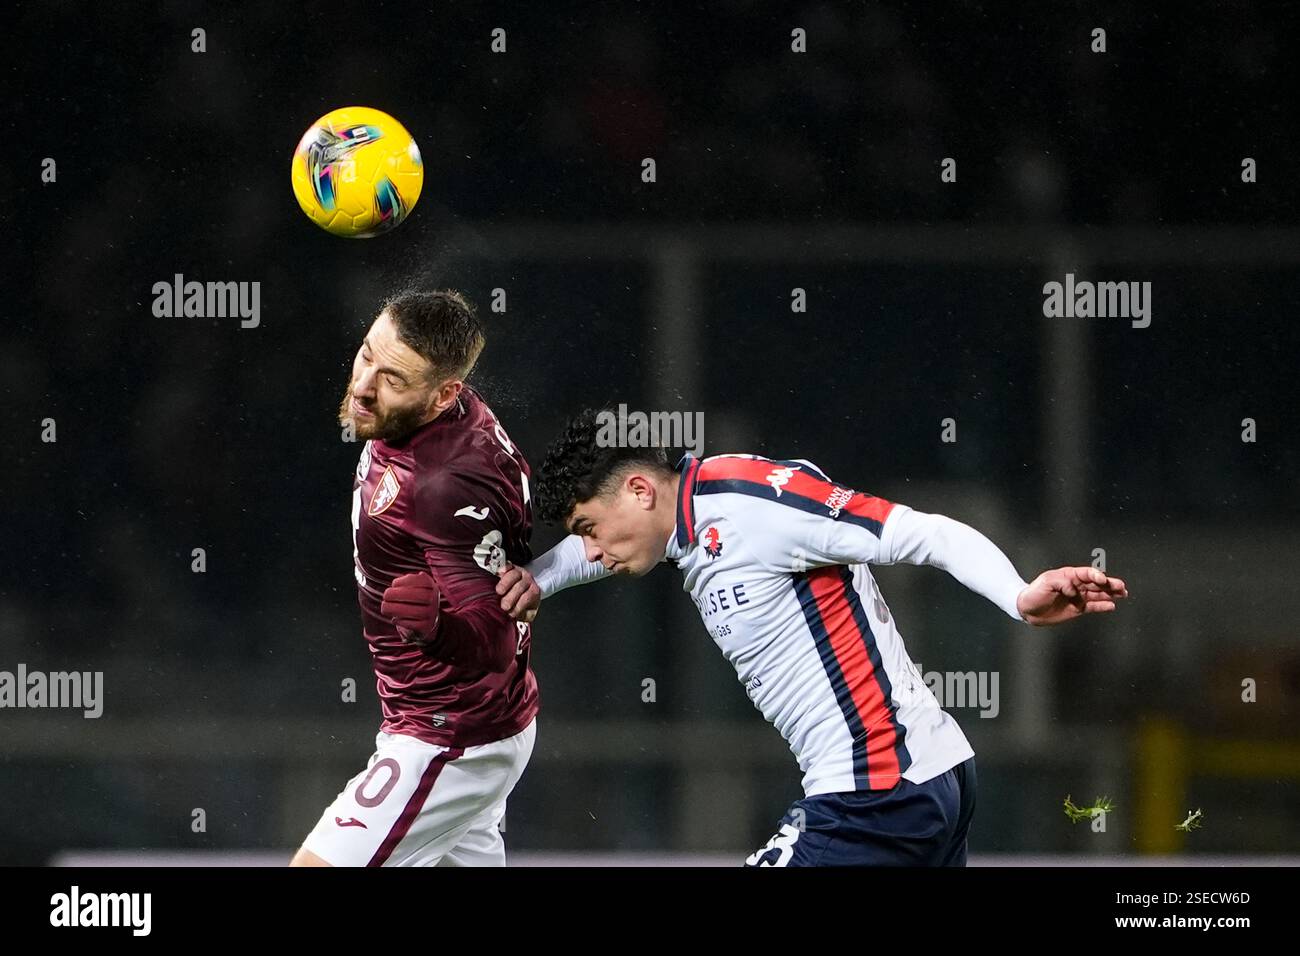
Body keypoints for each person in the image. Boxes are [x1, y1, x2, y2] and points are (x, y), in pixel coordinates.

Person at [494, 409, 1129, 866]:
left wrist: (1017, 596)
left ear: (638, 490)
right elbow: (582, 555)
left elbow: (924, 532)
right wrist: (535, 581)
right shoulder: (686, 520)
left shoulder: (753, 505)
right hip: (917, 782)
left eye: (591, 528)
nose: (594, 551)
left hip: (878, 791)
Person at [291, 290, 540, 867]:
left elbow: (496, 640)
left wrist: (436, 630)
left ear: (445, 394)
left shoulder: (442, 485)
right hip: (469, 722)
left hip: (451, 735)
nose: (363, 386)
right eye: (365, 355)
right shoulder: (433, 418)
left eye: (393, 379)